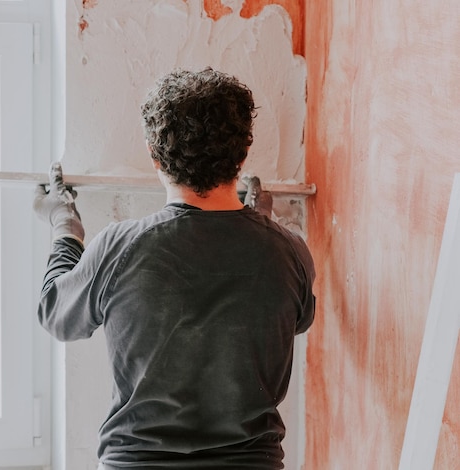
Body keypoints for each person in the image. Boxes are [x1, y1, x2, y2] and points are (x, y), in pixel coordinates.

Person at [34, 67, 315, 469]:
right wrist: (263, 226)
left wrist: (65, 225)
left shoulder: (121, 248)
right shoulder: (288, 252)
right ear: (243, 151)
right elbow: (296, 320)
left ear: (154, 156)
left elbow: (56, 314)